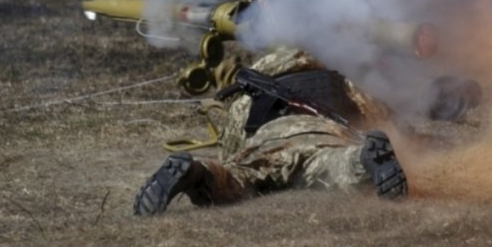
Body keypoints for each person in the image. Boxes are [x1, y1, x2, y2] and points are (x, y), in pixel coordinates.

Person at [133, 47, 409, 216]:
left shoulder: (251, 86)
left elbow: (234, 135)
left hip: (267, 139)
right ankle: (363, 160)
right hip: (324, 135)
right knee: (338, 167)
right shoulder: (338, 79)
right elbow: (376, 115)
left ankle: (195, 173)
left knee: (235, 178)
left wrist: (232, 158)